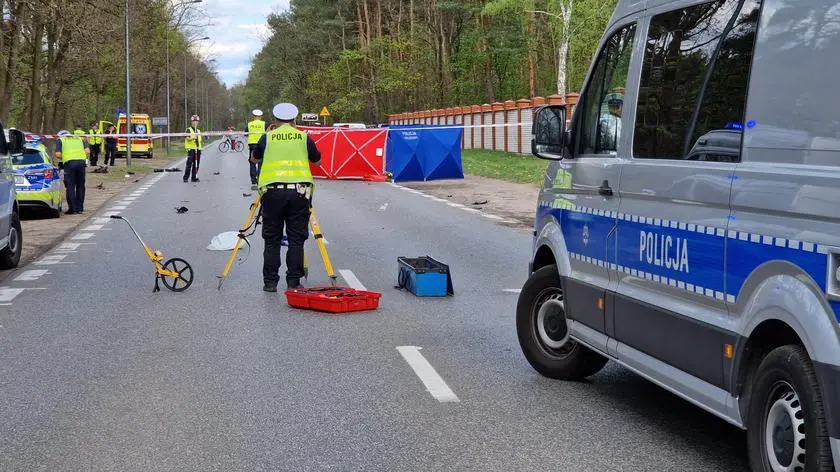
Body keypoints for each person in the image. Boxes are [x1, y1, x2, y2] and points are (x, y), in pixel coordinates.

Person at [250, 103, 321, 292]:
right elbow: (318, 160)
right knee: (296, 240)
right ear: (294, 119)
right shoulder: (304, 137)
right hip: (299, 193)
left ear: (275, 119)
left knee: (272, 239)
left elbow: (254, 159)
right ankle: (293, 282)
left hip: (272, 193)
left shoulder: (268, 138)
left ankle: (270, 282)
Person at [54, 129, 90, 215]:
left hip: (69, 164)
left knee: (70, 186)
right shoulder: (79, 139)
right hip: (81, 163)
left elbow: (58, 154)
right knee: (80, 186)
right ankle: (80, 208)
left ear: (60, 135)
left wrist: (64, 158)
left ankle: (73, 209)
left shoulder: (61, 140)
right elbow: (87, 151)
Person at [246, 109, 265, 190]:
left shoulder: (249, 124)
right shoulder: (264, 124)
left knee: (252, 162)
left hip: (252, 145)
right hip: (262, 145)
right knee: (261, 163)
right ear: (261, 116)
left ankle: (253, 181)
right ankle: (260, 180)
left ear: (253, 116)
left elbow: (245, 133)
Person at [183, 115, 202, 183]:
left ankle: (194, 178)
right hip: (191, 149)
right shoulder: (189, 129)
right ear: (191, 122)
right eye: (194, 121)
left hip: (198, 149)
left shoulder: (198, 130)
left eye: (196, 121)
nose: (195, 122)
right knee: (189, 164)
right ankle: (185, 178)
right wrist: (193, 138)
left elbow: (199, 140)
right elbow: (187, 138)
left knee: (196, 164)